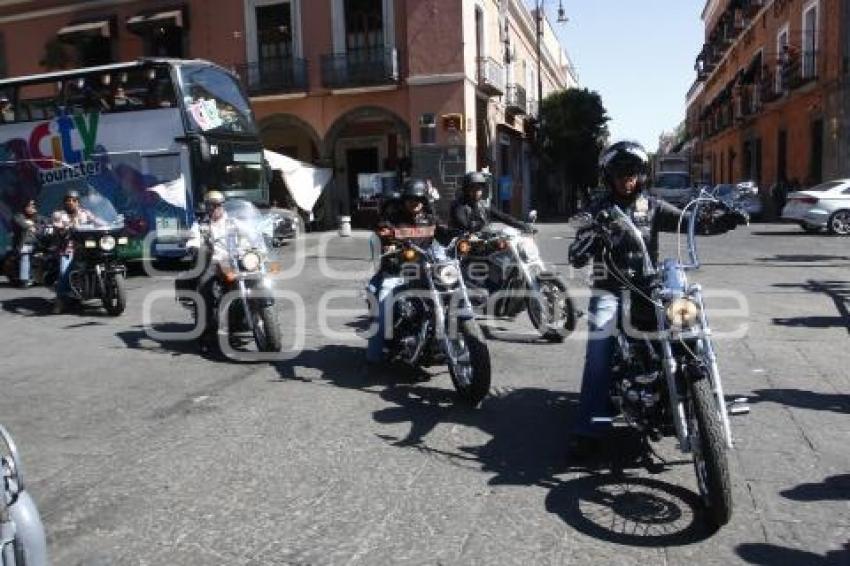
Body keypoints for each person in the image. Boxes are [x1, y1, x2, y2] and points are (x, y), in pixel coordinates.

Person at [566, 141, 747, 458]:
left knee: (691, 326)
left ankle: (707, 394)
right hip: (612, 288)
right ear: (608, 176)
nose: (627, 179)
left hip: (652, 286)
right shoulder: (598, 210)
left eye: (633, 172)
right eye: (620, 173)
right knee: (599, 349)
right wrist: (589, 239)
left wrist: (720, 219)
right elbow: (577, 251)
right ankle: (590, 428)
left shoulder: (651, 206)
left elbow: (687, 222)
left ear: (641, 175)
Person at [366, 178, 441, 364]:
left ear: (424, 200)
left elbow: (446, 232)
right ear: (404, 201)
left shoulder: (430, 219)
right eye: (410, 199)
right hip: (397, 273)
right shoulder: (394, 220)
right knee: (382, 309)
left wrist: (464, 237)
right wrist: (388, 243)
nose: (414, 203)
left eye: (418, 199)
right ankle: (373, 356)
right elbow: (382, 231)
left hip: (426, 270)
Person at [185, 190, 232, 350]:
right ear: (206, 207)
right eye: (210, 206)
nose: (214, 209)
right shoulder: (200, 225)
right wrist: (194, 248)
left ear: (222, 205)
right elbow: (193, 239)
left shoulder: (233, 222)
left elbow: (250, 234)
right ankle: (205, 333)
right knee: (205, 288)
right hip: (214, 262)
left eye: (217, 205)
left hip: (235, 261)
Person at [51, 190, 100, 313]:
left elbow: (97, 222)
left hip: (85, 248)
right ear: (64, 202)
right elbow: (58, 227)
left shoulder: (85, 213)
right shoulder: (59, 215)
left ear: (78, 202)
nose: (71, 203)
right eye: (68, 200)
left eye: (74, 200)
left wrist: (110, 225)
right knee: (65, 272)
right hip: (67, 249)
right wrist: (66, 227)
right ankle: (60, 300)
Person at [450, 171, 532, 234]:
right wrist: (480, 225)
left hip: (483, 241)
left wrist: (521, 225)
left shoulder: (484, 205)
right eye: (473, 188)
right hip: (463, 245)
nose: (476, 192)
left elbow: (503, 217)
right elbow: (463, 225)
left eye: (479, 189)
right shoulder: (459, 206)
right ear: (466, 189)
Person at [12, 199, 42, 287]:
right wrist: (31, 225)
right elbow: (22, 225)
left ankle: (39, 278)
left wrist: (34, 225)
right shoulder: (18, 216)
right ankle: (24, 280)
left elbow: (43, 227)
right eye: (30, 205)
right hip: (23, 244)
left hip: (37, 244)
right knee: (25, 253)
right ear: (25, 207)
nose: (32, 207)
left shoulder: (37, 217)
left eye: (33, 206)